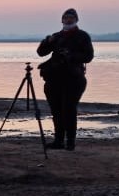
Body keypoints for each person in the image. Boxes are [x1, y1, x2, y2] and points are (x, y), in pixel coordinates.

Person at [36, 8, 94, 150]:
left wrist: (71, 55)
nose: (68, 20)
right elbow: (41, 52)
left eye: (71, 18)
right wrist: (47, 42)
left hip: (74, 79)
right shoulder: (56, 36)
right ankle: (58, 141)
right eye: (66, 17)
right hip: (54, 79)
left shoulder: (82, 36)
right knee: (56, 110)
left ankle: (70, 142)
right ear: (62, 20)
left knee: (69, 109)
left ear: (76, 20)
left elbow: (89, 56)